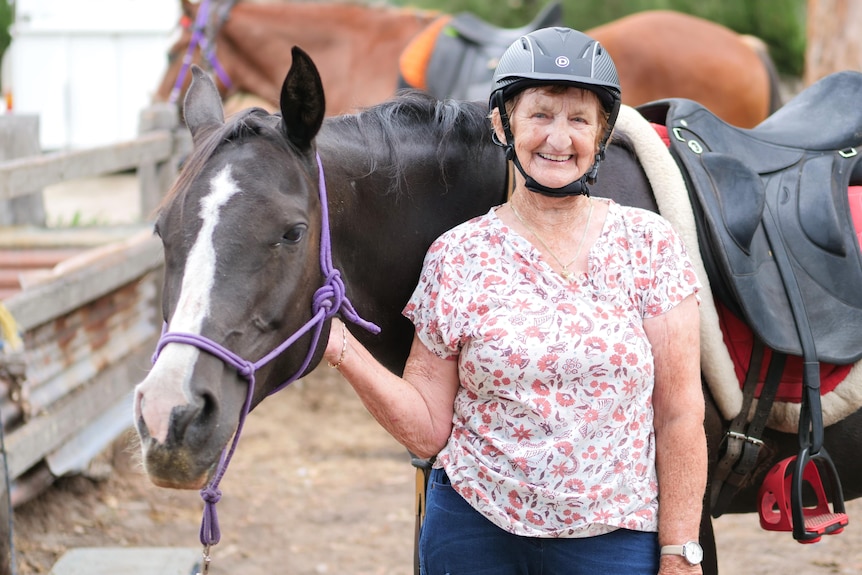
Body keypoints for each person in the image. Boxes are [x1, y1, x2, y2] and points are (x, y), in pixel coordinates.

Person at [323, 26, 707, 575]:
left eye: (579, 119)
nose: (558, 138)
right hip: (474, 533)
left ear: (600, 135)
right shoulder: (457, 255)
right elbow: (428, 426)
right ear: (504, 124)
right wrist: (342, 348)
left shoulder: (649, 243)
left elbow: (678, 413)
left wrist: (680, 549)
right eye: (540, 115)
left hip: (614, 537)